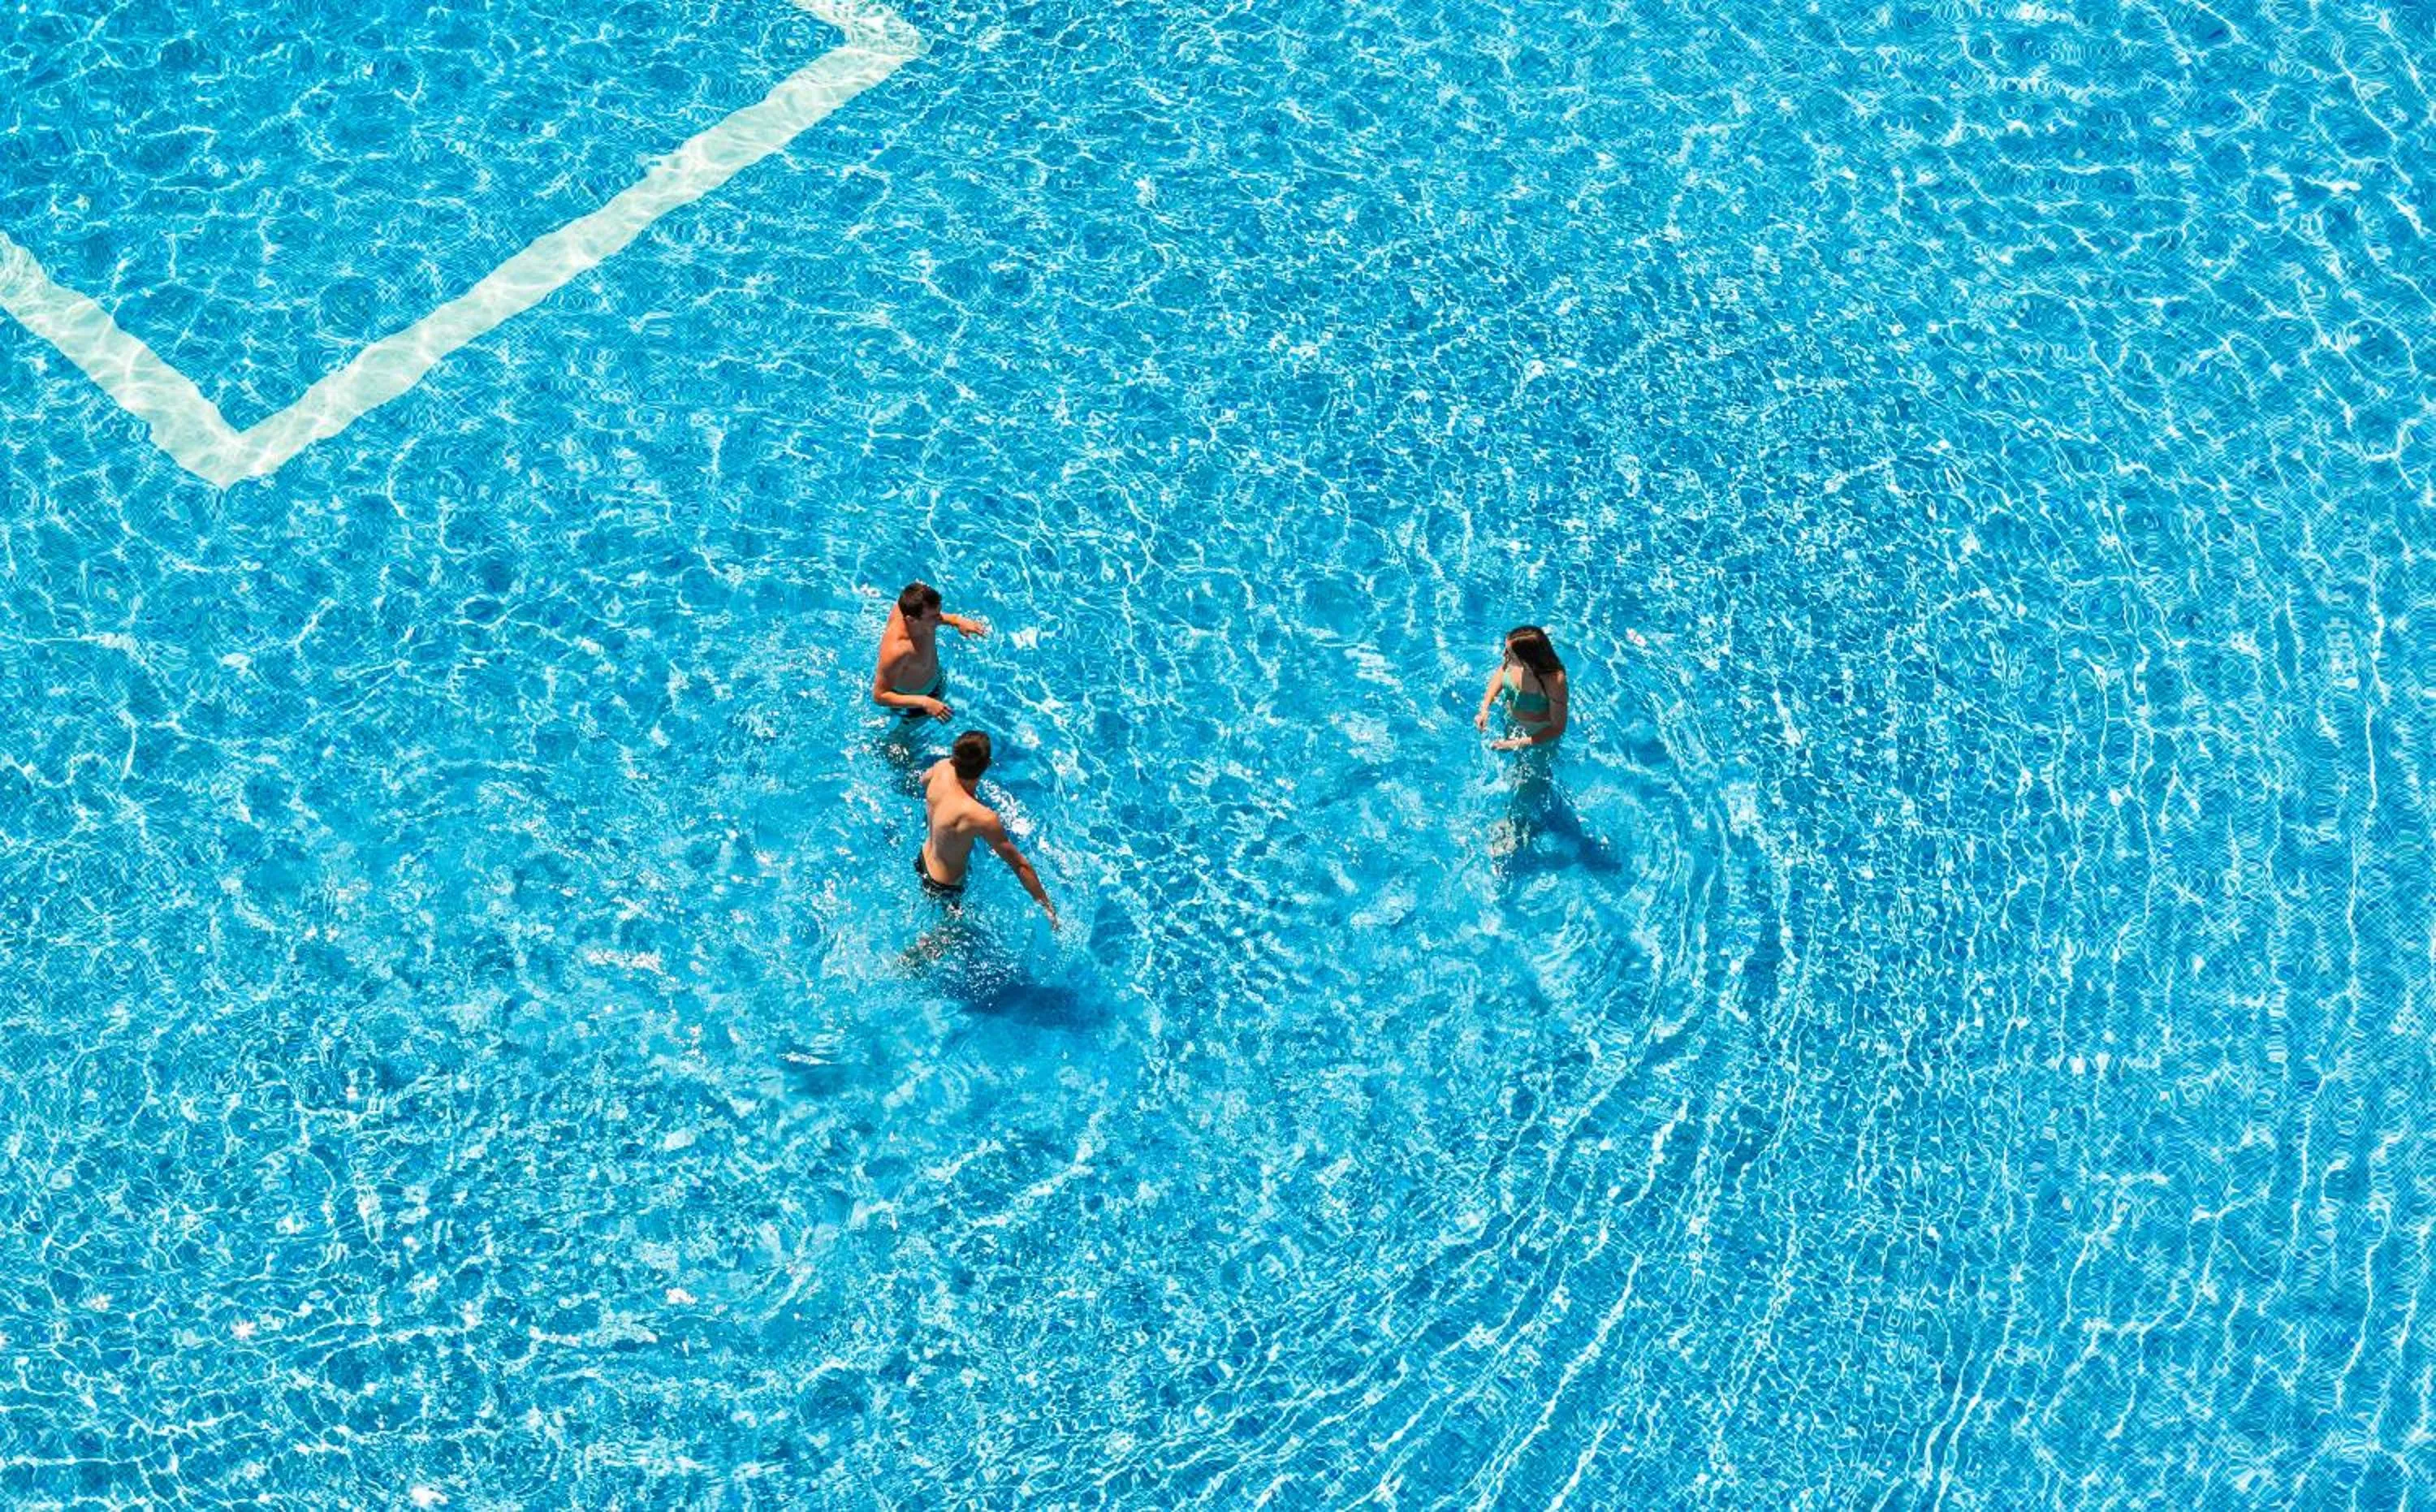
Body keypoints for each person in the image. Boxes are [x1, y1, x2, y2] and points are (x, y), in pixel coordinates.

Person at [915, 730, 1058, 926]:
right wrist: (1048, 909)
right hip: (943, 886)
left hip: (921, 861)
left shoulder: (941, 768)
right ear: (988, 765)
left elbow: (923, 782)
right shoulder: (982, 817)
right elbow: (1020, 865)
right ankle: (909, 958)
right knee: (951, 933)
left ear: (954, 760)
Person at [873, 581, 987, 719]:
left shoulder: (913, 611)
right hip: (913, 703)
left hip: (933, 683)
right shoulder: (898, 650)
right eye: (934, 617)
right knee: (905, 738)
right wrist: (924, 702)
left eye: (939, 612)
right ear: (911, 620)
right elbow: (879, 696)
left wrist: (956, 620)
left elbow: (935, 615)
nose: (939, 619)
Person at [1475, 624, 1569, 750]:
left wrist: (1515, 744)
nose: (1504, 654)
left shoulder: (1553, 680)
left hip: (1538, 733)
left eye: (1509, 652)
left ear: (1527, 659)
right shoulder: (1513, 662)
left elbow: (1557, 728)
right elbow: (1501, 674)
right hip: (1511, 718)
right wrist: (1485, 708)